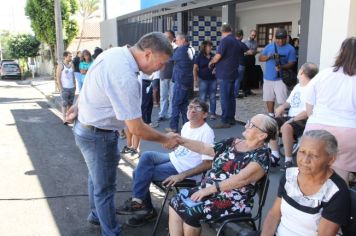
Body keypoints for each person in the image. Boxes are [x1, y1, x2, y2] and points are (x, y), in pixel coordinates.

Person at [67, 32, 177, 236]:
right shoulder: (125, 76)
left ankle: (96, 215)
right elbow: (136, 128)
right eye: (161, 63)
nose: (160, 69)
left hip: (87, 127)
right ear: (148, 54)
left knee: (96, 178)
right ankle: (111, 232)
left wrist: (77, 105)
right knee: (105, 188)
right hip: (98, 135)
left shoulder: (113, 53)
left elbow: (89, 83)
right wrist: (165, 139)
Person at [169, 114, 278, 236]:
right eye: (248, 121)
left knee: (192, 211)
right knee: (176, 200)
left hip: (232, 200)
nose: (246, 125)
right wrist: (181, 140)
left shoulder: (261, 156)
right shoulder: (233, 142)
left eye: (251, 125)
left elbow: (240, 180)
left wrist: (208, 190)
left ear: (262, 135)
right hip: (209, 190)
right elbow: (205, 148)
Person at [117, 98, 215, 227]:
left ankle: (145, 210)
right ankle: (139, 202)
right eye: (190, 107)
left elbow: (208, 164)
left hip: (182, 168)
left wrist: (182, 175)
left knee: (138, 173)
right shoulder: (186, 125)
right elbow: (184, 146)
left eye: (197, 108)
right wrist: (171, 144)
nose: (192, 110)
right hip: (173, 157)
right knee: (147, 156)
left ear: (205, 114)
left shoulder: (207, 132)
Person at [261, 130, 350, 236]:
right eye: (302, 152)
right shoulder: (289, 175)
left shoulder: (336, 192)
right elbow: (274, 215)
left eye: (314, 156)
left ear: (330, 160)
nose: (305, 160)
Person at [304, 37, 356, 183]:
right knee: (340, 179)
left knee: (311, 172)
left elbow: (309, 105)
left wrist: (316, 122)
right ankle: (337, 205)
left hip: (317, 128)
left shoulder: (324, 74)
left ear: (341, 53)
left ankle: (311, 204)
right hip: (348, 131)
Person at [269, 62, 319, 169]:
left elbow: (307, 112)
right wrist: (282, 107)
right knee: (271, 122)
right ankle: (275, 155)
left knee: (286, 127)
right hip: (291, 116)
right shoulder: (298, 86)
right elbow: (289, 102)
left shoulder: (312, 89)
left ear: (302, 72)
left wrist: (291, 120)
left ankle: (288, 160)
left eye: (300, 69)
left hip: (304, 119)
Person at [209, 23, 241, 129]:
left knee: (224, 98)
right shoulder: (236, 41)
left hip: (224, 73)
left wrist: (211, 62)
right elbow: (244, 50)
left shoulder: (225, 40)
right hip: (233, 72)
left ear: (222, 32)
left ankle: (225, 120)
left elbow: (218, 56)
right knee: (231, 97)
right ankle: (231, 118)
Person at [259, 28, 296, 117]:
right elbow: (260, 58)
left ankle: (284, 117)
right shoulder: (269, 47)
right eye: (278, 38)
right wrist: (269, 57)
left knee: (282, 100)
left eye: (282, 38)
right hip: (268, 78)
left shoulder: (290, 49)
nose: (280, 41)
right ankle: (271, 115)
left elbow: (292, 63)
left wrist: (281, 67)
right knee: (269, 98)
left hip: (281, 78)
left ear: (286, 38)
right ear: (275, 38)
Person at [167, 33, 194, 133]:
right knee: (183, 104)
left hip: (181, 81)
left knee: (176, 104)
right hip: (186, 81)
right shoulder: (189, 48)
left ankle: (173, 127)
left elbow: (170, 58)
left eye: (177, 40)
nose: (176, 42)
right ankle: (187, 124)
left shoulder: (182, 50)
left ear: (183, 40)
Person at [193, 40, 217, 120]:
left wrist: (215, 69)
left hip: (213, 80)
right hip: (203, 80)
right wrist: (195, 80)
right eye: (209, 46)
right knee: (203, 98)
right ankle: (202, 113)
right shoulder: (199, 57)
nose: (211, 48)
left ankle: (213, 114)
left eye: (211, 46)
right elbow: (195, 69)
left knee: (213, 97)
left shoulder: (213, 56)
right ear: (204, 47)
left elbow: (218, 66)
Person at [158, 30, 177, 122]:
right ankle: (162, 114)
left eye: (168, 37)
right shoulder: (161, 48)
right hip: (163, 75)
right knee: (163, 96)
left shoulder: (176, 48)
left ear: (173, 38)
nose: (166, 39)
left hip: (173, 76)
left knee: (172, 96)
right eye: (165, 37)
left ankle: (171, 114)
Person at [56, 51, 76, 125]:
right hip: (64, 88)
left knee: (70, 104)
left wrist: (75, 85)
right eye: (69, 56)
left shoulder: (72, 65)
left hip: (72, 88)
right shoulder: (61, 65)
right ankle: (64, 119)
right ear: (65, 57)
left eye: (71, 56)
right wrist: (60, 88)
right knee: (64, 104)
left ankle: (69, 118)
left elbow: (73, 76)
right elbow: (58, 77)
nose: (71, 58)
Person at [242, 29, 258, 97]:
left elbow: (255, 51)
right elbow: (241, 51)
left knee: (251, 74)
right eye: (252, 35)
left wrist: (254, 52)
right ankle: (244, 90)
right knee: (245, 74)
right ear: (250, 34)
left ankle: (249, 90)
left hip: (252, 58)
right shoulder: (244, 41)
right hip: (245, 58)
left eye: (254, 35)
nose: (253, 36)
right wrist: (248, 52)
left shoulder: (255, 42)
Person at [234, 30, 249, 99]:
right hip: (240, 64)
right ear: (241, 36)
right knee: (238, 80)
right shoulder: (241, 44)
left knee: (233, 79)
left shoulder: (232, 43)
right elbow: (250, 52)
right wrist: (258, 51)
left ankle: (232, 93)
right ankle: (235, 94)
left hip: (232, 64)